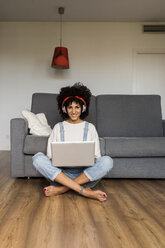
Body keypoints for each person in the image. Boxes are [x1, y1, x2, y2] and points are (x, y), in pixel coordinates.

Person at [32, 83, 113, 202]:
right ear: (65, 109)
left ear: (83, 108)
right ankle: (84, 191)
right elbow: (50, 156)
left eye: (77, 107)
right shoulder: (58, 127)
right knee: (38, 158)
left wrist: (86, 158)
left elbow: (97, 157)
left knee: (107, 161)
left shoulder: (90, 127)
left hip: (85, 175)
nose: (73, 111)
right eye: (70, 107)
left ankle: (62, 189)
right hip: (61, 174)